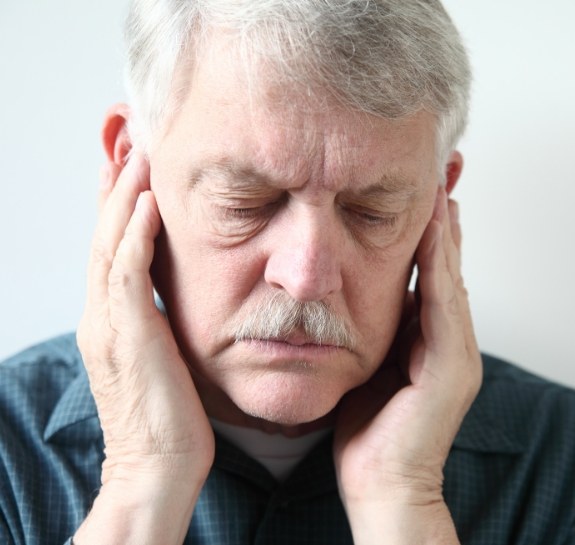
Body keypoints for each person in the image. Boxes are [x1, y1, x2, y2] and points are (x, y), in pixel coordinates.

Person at [0, 1, 573, 544]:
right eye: (243, 202)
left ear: (438, 197)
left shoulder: (559, 458)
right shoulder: (10, 449)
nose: (306, 277)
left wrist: (405, 503)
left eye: (372, 212)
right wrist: (141, 485)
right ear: (131, 165)